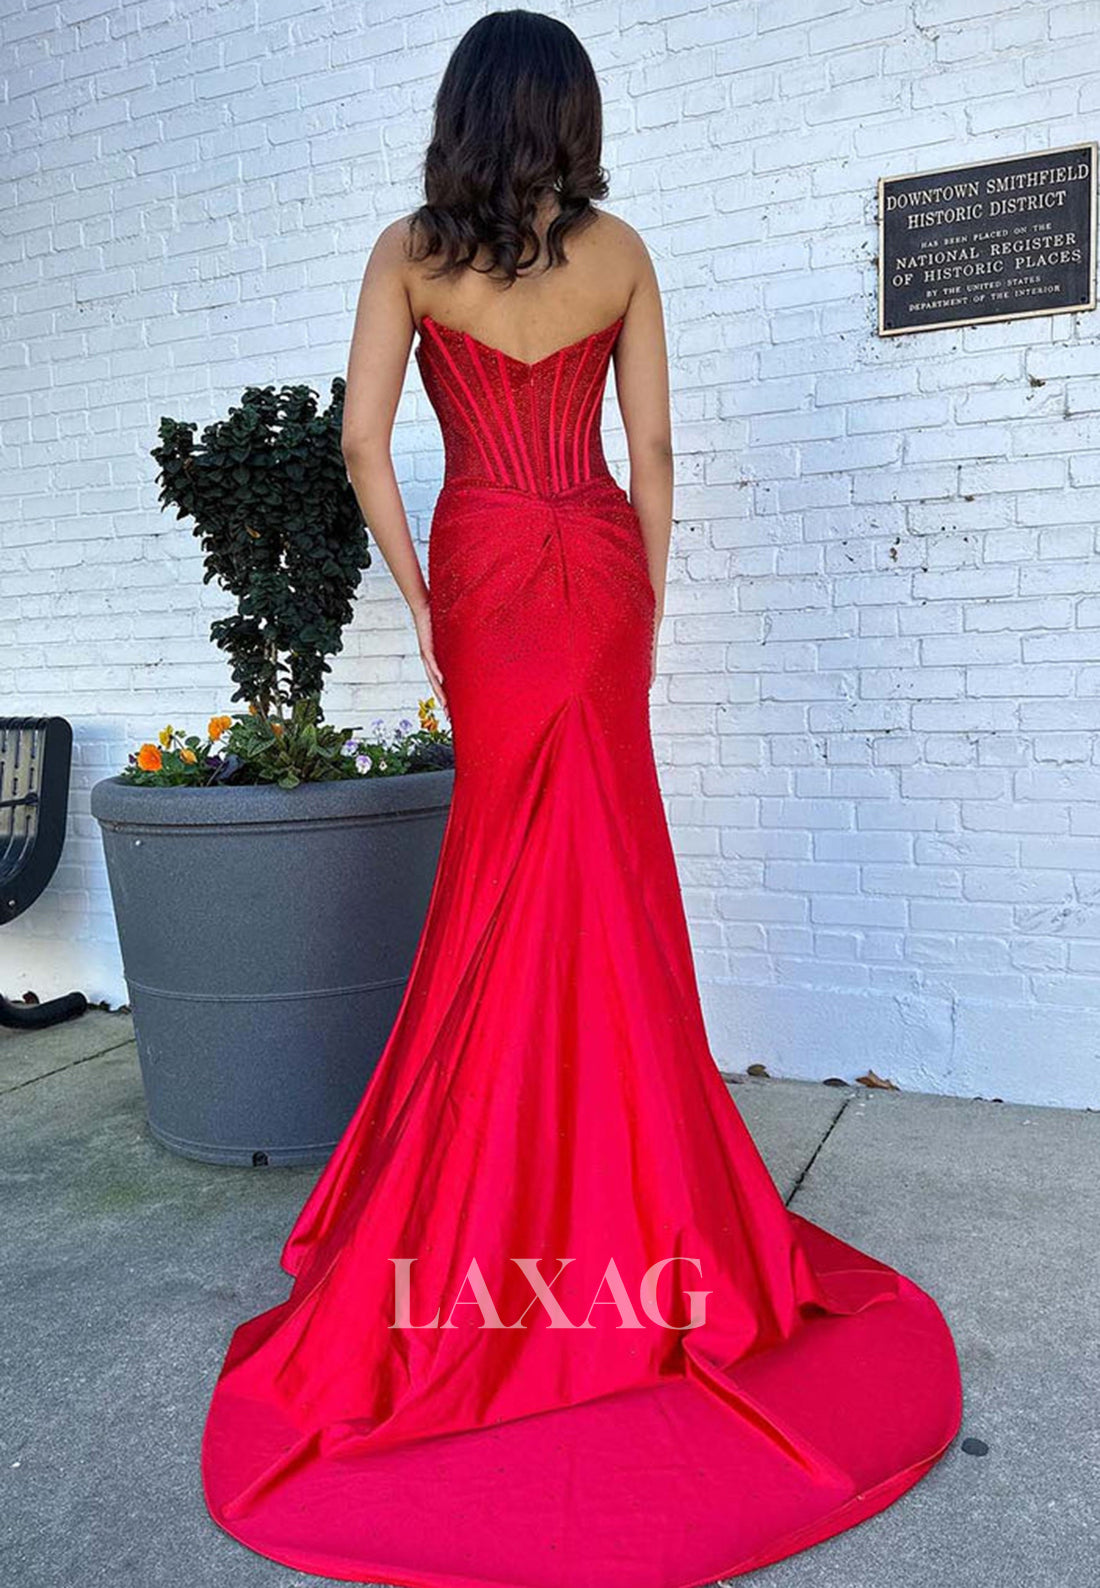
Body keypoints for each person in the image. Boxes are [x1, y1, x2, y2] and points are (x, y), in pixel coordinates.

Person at [201, 13, 963, 1586]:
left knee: (500, 864)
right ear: (574, 116)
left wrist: (425, 603)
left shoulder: (410, 255)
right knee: (605, 863)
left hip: (485, 568)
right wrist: (647, 603)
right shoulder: (621, 253)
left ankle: (490, 1176)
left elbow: (362, 446)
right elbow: (655, 448)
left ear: (462, 115)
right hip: (599, 572)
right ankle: (630, 1178)